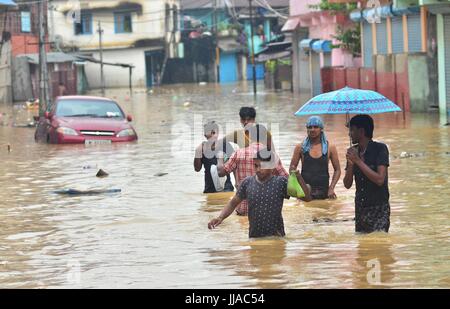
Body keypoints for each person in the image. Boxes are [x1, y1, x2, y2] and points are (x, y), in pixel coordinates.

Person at [208, 149, 311, 238]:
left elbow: (306, 198)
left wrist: (298, 177)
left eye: (261, 166)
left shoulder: (281, 183)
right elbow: (233, 203)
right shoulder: (247, 183)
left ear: (271, 167)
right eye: (256, 166)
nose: (258, 169)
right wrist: (220, 218)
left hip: (276, 237)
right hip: (254, 237)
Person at [217, 124, 288, 216]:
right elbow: (286, 180)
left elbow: (221, 173)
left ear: (248, 136)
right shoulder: (271, 155)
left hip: (242, 210)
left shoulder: (238, 153)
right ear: (265, 137)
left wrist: (220, 158)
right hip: (265, 211)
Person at [343, 114, 391, 233]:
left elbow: (380, 179)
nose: (349, 134)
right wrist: (350, 164)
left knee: (379, 243)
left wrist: (358, 161)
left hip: (379, 208)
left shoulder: (380, 149)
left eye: (352, 130)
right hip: (360, 208)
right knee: (363, 248)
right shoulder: (353, 152)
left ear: (361, 131)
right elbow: (347, 184)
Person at [289, 116, 341, 199]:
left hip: (324, 193)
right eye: (310, 127)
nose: (312, 130)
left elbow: (337, 170)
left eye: (316, 127)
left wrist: (331, 188)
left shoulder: (330, 147)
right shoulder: (300, 147)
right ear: (307, 129)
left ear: (321, 129)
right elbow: (292, 168)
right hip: (305, 193)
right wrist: (298, 187)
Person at [194, 121, 234, 193]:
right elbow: (197, 169)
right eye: (209, 133)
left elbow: (235, 165)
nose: (212, 135)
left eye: (213, 132)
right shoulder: (202, 148)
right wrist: (197, 153)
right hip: (209, 190)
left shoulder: (225, 145)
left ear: (218, 133)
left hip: (226, 188)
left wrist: (238, 183)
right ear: (205, 135)